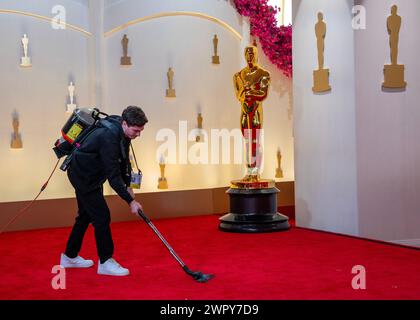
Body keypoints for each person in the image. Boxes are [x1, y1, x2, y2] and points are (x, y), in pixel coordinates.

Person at [60, 106, 148, 276]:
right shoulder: (109, 137)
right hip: (84, 177)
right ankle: (106, 261)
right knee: (102, 216)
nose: (138, 134)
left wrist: (129, 185)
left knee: (85, 215)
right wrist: (130, 201)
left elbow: (124, 161)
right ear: (124, 123)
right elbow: (113, 176)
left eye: (140, 130)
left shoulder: (122, 132)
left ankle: (69, 256)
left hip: (91, 174)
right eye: (136, 130)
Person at [233, 45, 271, 181]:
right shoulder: (238, 75)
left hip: (255, 111)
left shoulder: (263, 74)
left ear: (256, 55)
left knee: (256, 141)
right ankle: (249, 171)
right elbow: (238, 95)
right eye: (247, 54)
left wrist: (250, 92)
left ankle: (256, 172)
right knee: (247, 141)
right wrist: (246, 92)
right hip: (244, 112)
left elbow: (263, 94)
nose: (250, 56)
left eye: (252, 53)